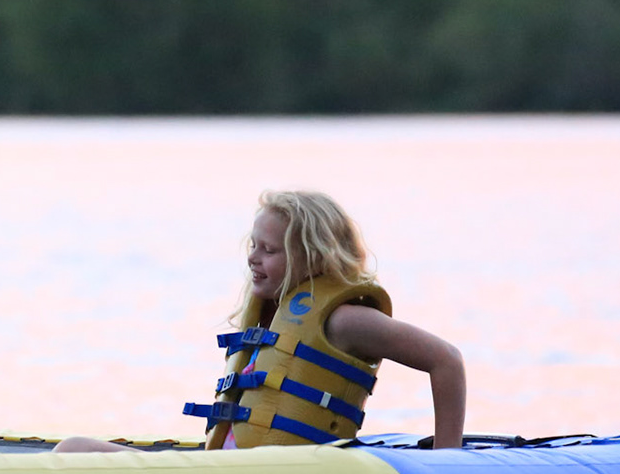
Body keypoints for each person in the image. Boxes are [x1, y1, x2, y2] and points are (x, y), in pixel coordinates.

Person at [58, 190, 465, 452]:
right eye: (253, 246)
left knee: (73, 451)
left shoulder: (344, 321)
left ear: (316, 257)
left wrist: (447, 459)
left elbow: (446, 360)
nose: (253, 258)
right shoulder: (273, 321)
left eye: (269, 250)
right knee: (74, 450)